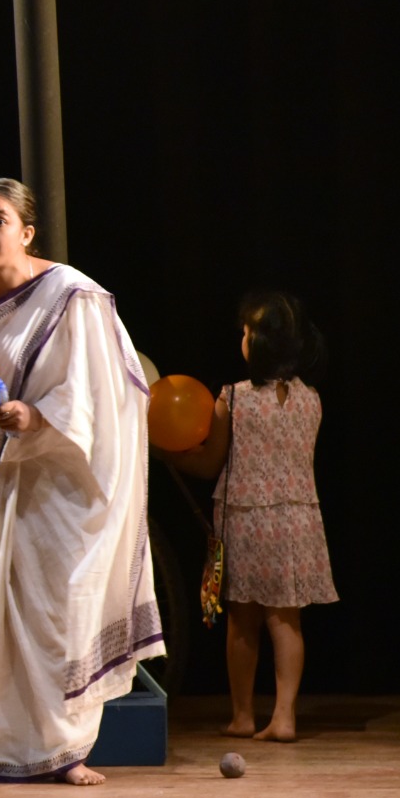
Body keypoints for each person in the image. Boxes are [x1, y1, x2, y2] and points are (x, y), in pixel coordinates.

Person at [0, 178, 162, 785]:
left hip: (62, 464)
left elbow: (98, 391)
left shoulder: (71, 295)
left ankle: (64, 749)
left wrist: (34, 416)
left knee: (54, 609)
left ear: (26, 233)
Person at [158, 290, 335, 743]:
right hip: (298, 520)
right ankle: (285, 717)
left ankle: (242, 716)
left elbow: (208, 463)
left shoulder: (234, 399)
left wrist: (166, 453)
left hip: (247, 519)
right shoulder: (311, 399)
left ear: (259, 343)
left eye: (246, 331)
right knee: (287, 621)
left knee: (243, 621)